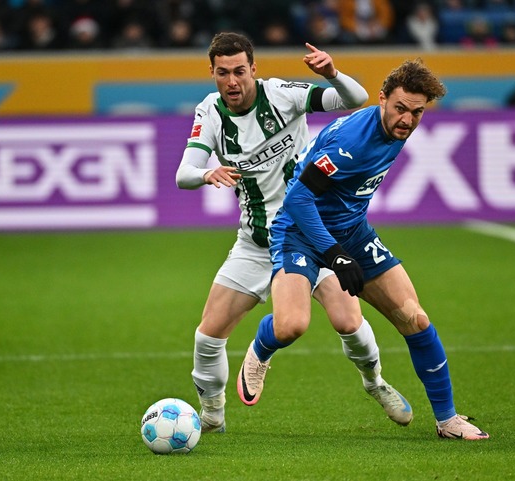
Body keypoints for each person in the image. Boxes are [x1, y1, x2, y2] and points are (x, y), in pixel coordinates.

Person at [237, 58, 490, 440]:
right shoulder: (354, 141)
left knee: (415, 319)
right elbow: (299, 198)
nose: (407, 120)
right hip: (299, 232)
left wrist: (345, 245)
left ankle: (448, 420)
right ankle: (260, 348)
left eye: (417, 112)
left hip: (353, 232)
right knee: (291, 325)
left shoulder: (395, 130)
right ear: (383, 98)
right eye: (400, 108)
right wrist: (334, 254)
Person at [176, 32, 414, 433]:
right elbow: (183, 174)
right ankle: (212, 413)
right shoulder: (211, 114)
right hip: (255, 244)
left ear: (254, 69)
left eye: (239, 71)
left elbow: (354, 99)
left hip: (307, 233)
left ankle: (375, 383)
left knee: (349, 322)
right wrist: (205, 173)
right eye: (222, 73)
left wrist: (333, 73)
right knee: (208, 336)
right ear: (212, 73)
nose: (231, 81)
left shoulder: (283, 95)